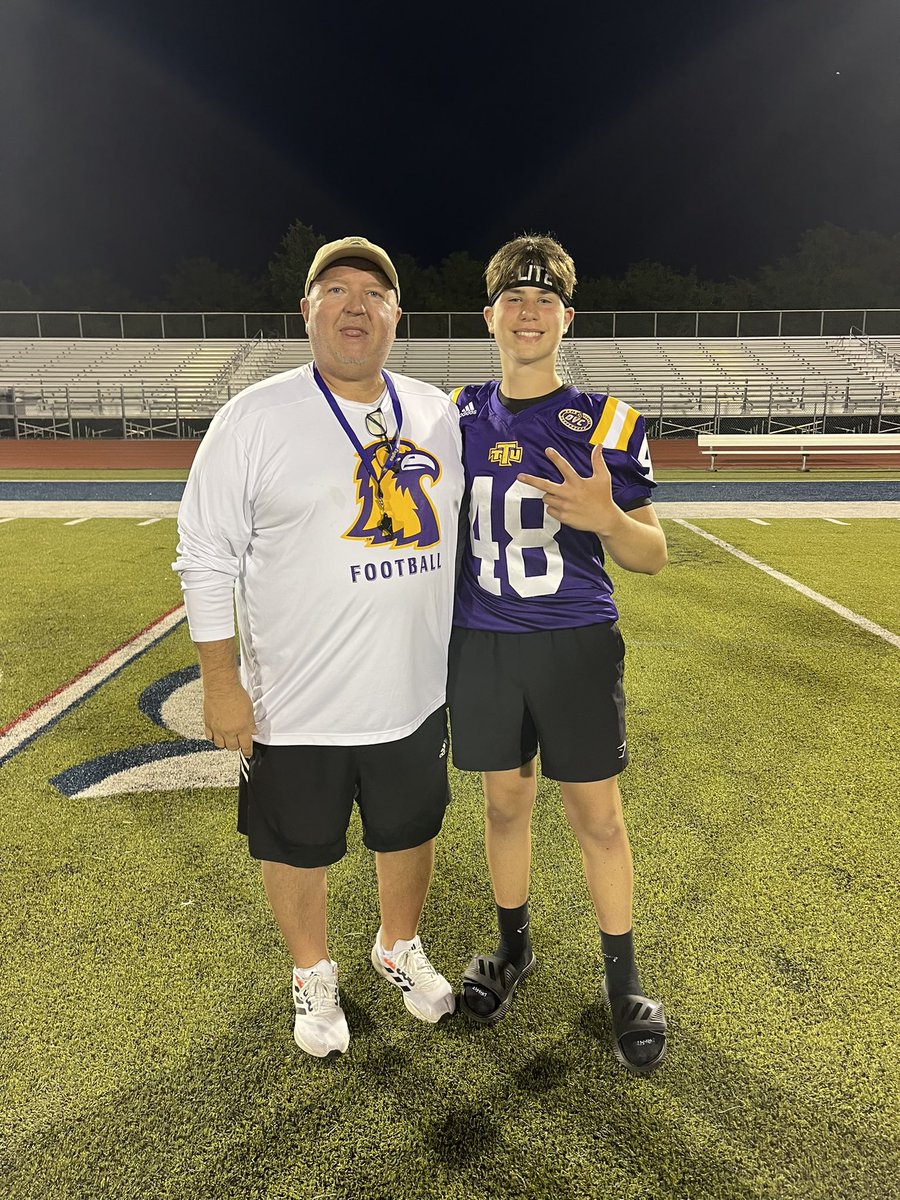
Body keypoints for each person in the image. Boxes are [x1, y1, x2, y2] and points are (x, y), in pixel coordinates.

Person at [173, 236, 464, 1058]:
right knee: (295, 845)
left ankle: (397, 945)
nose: (355, 305)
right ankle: (311, 970)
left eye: (374, 292)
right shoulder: (253, 418)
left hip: (412, 695)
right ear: (307, 311)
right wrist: (220, 682)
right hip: (295, 705)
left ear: (396, 316)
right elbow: (205, 555)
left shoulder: (437, 414)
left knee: (410, 830)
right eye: (335, 290)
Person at [447, 234, 669, 1075]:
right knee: (504, 805)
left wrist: (607, 519)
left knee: (597, 815)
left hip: (575, 642)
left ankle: (624, 981)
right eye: (514, 297)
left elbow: (652, 556)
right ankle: (514, 949)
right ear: (490, 317)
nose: (529, 312)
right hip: (485, 643)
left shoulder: (606, 422)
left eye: (545, 300)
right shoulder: (452, 414)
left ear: (567, 318)